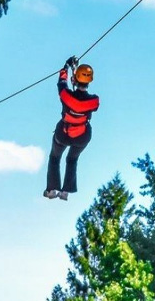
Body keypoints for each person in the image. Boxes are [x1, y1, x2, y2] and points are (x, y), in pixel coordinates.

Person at [44, 56, 99, 201]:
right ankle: (65, 191)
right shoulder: (94, 101)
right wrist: (75, 78)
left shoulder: (65, 95)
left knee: (55, 157)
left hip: (63, 134)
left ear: (74, 80)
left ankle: (52, 190)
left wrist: (66, 67)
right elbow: (81, 100)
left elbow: (61, 83)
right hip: (82, 137)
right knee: (72, 159)